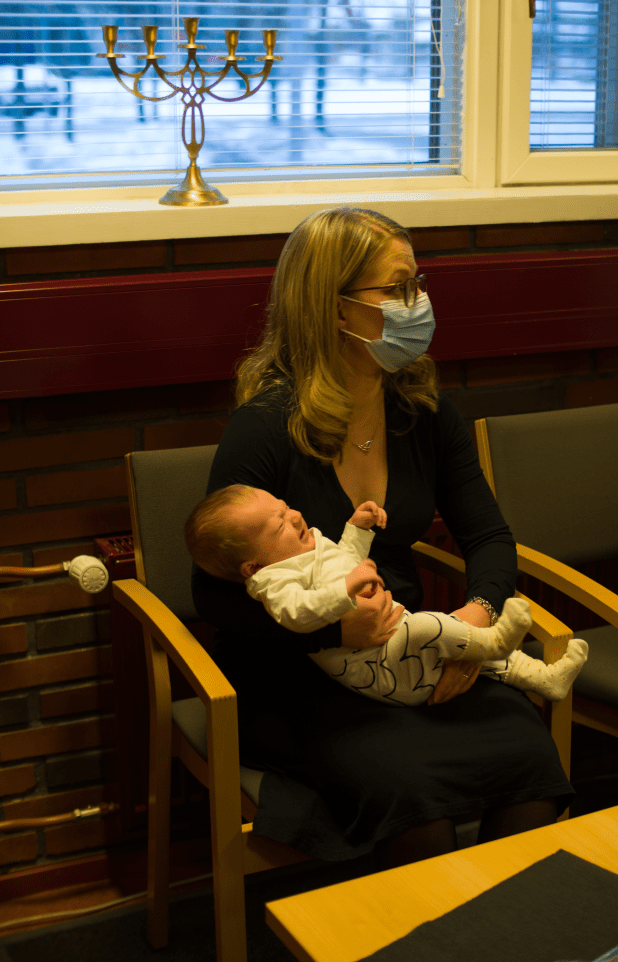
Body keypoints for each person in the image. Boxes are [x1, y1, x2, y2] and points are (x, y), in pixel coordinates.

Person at [191, 205, 576, 867]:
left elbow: (488, 535)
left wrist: (476, 619)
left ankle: (498, 919)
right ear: (334, 307)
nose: (416, 303)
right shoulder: (265, 428)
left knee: (531, 764)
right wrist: (333, 631)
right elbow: (215, 597)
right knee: (414, 803)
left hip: (412, 648)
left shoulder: (424, 412)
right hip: (298, 672)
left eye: (417, 283)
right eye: (396, 289)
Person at [186, 484, 589, 705]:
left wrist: (357, 530)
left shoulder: (304, 547)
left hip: (392, 642)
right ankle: (493, 641)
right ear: (253, 567)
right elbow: (298, 613)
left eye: (286, 507)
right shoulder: (273, 581)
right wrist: (346, 591)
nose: (294, 516)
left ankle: (543, 679)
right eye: (279, 526)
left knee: (451, 644)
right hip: (376, 669)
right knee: (430, 627)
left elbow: (344, 560)